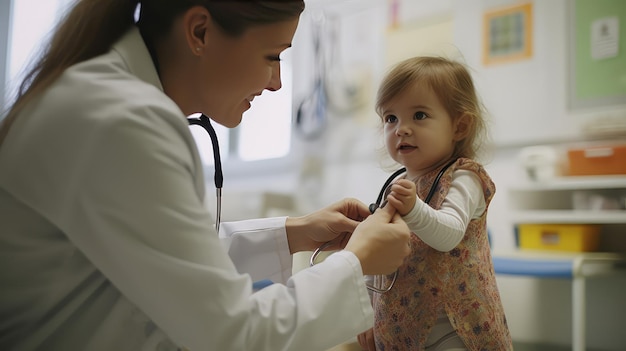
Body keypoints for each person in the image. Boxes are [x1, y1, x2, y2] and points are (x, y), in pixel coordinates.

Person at [0, 1, 412, 350]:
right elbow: (230, 333)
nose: (277, 83)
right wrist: (357, 263)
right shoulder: (120, 120)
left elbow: (165, 262)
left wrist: (294, 232)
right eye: (273, 56)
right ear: (199, 31)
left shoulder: (107, 99)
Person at [356, 56, 513, 351]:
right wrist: (365, 314)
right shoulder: (395, 185)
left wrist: (414, 209)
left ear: (460, 126)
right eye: (391, 118)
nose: (401, 128)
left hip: (456, 327)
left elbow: (449, 234)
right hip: (404, 322)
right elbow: (375, 258)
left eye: (419, 115)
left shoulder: (465, 178)